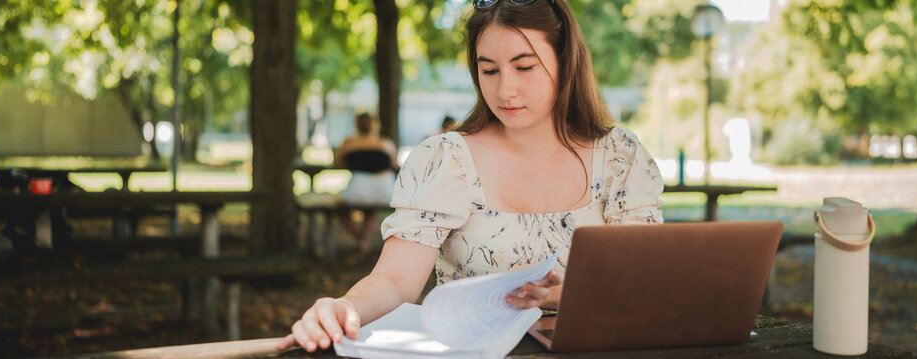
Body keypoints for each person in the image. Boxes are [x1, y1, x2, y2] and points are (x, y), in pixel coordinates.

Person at [277, 0, 663, 353]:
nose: (505, 89)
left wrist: (569, 295)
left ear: (565, 61)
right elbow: (395, 280)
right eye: (488, 69)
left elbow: (644, 280)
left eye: (524, 66)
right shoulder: (446, 158)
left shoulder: (619, 157)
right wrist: (344, 306)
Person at [333, 112, 399, 252]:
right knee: (370, 209)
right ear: (375, 125)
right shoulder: (385, 143)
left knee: (340, 207)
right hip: (384, 191)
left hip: (358, 189)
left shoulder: (349, 143)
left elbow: (336, 162)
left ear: (357, 125)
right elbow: (394, 165)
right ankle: (363, 242)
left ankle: (360, 240)